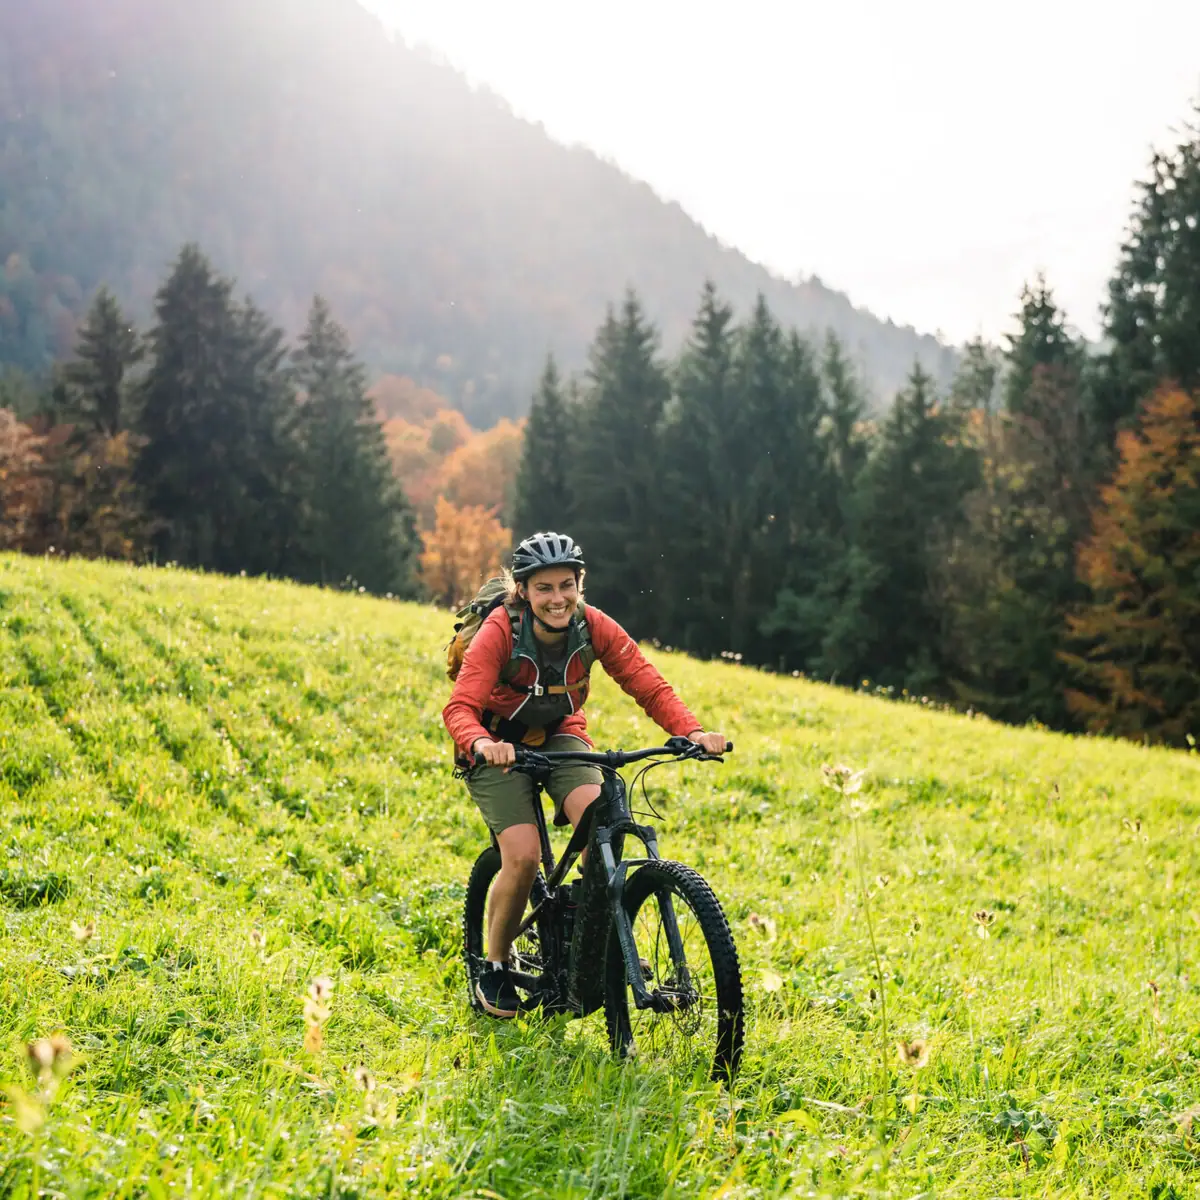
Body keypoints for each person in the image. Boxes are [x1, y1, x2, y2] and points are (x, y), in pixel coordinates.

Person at [443, 531, 728, 1018]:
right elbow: (460, 708)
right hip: (495, 744)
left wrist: (693, 731)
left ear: (580, 584)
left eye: (567, 585)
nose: (557, 598)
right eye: (544, 588)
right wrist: (484, 745)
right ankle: (493, 964)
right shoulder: (499, 631)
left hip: (558, 732)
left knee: (597, 823)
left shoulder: (592, 625)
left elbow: (647, 683)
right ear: (523, 591)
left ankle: (603, 938)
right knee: (524, 854)